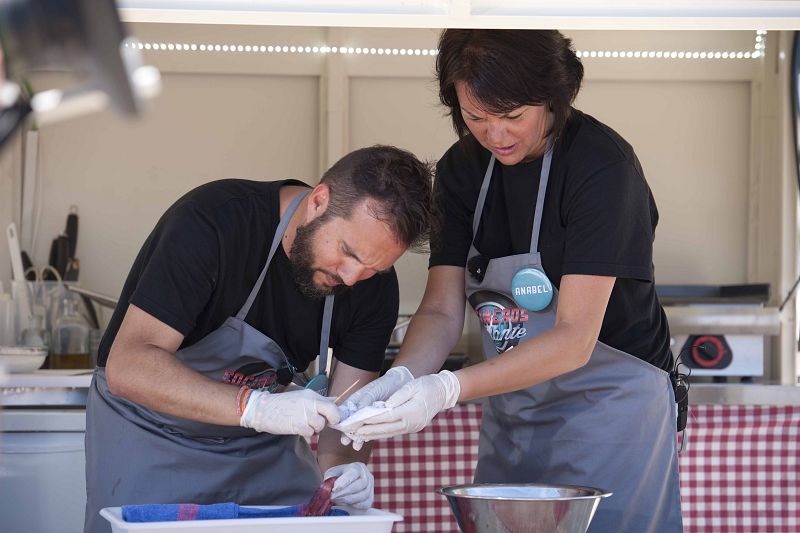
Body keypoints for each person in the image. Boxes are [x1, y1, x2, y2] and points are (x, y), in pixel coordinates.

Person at [341, 29, 683, 532]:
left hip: (611, 412)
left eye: (513, 117)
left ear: (553, 97)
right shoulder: (462, 170)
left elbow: (572, 339)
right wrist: (403, 380)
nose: (495, 135)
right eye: (476, 118)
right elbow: (440, 309)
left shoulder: (601, 167)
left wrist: (446, 389)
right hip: (515, 409)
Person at [83, 145, 433, 533]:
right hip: (152, 436)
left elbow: (348, 410)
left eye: (372, 267)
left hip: (263, 450)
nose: (351, 278)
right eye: (347, 253)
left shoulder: (374, 287)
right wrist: (257, 408)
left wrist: (341, 470)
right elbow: (129, 365)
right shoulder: (215, 222)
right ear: (319, 201)